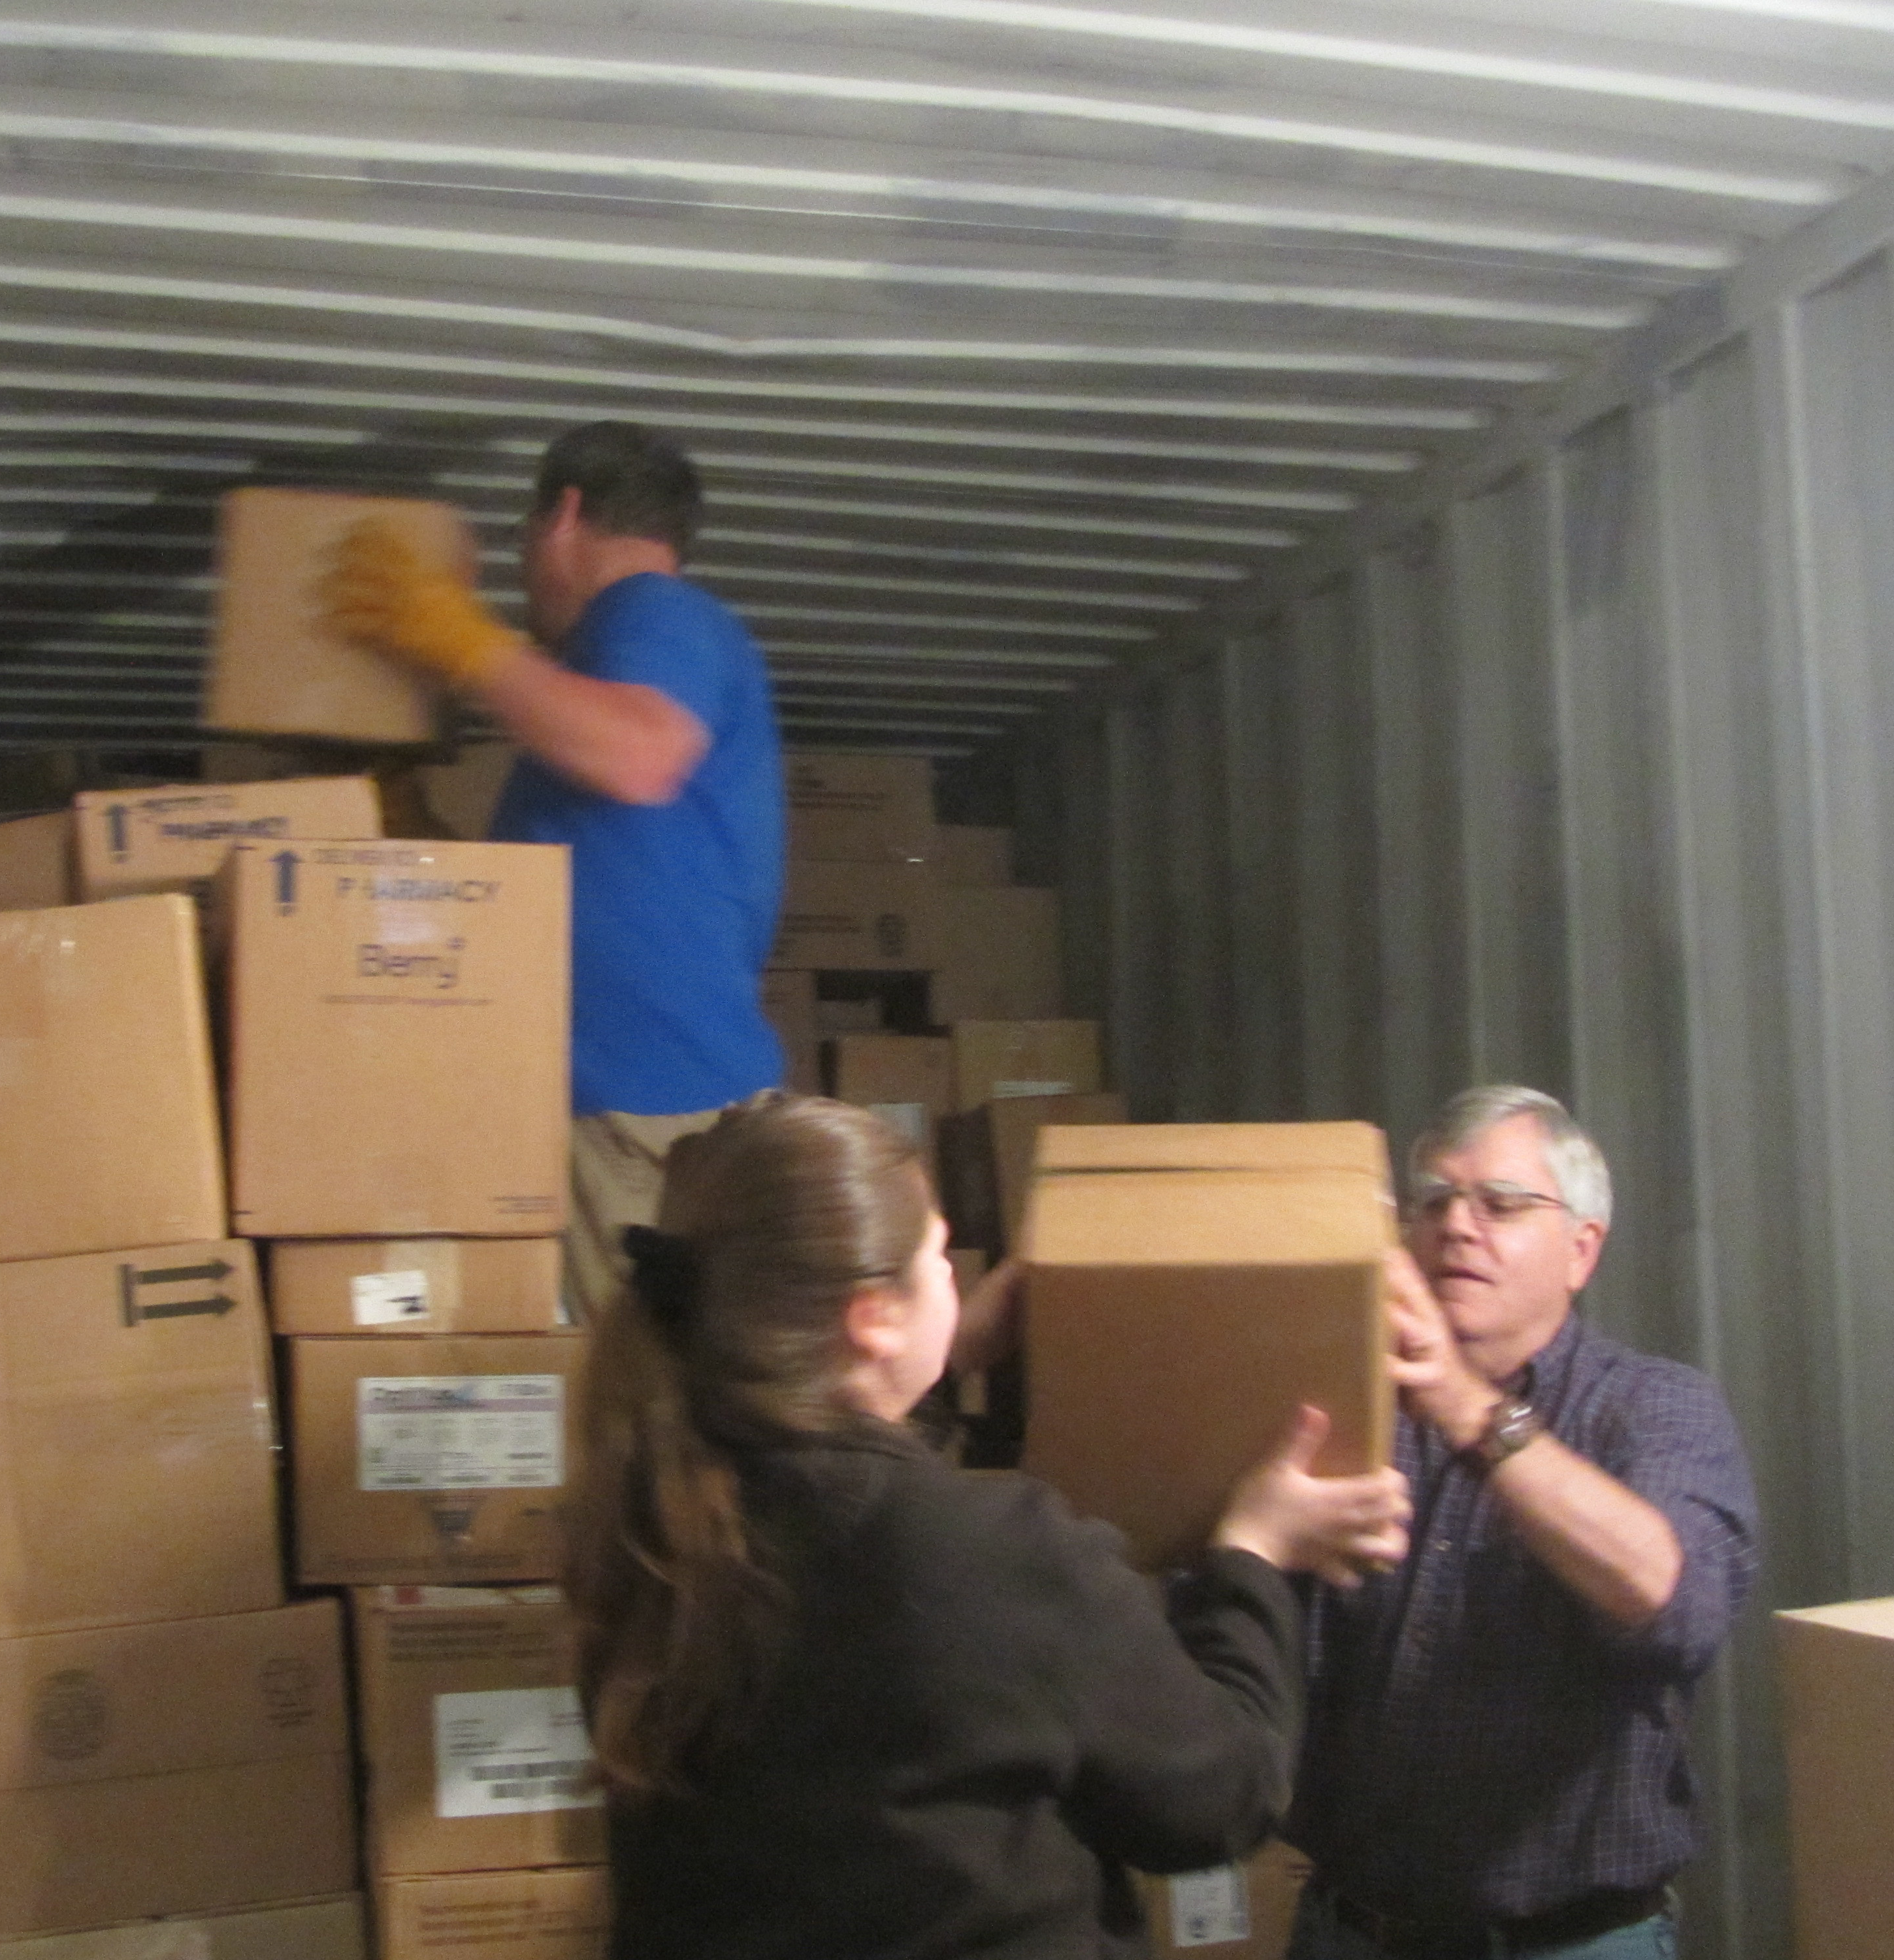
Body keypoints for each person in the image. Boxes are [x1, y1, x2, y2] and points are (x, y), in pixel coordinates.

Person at [566, 1093, 1414, 1960]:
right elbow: (1218, 1798)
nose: (957, 1279)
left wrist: (929, 1366)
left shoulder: (651, 1515)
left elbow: (831, 1502)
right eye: (939, 1255)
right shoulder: (985, 1550)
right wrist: (1254, 1558)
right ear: (872, 1317)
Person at [1286, 1086, 1759, 1960]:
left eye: (1500, 1205)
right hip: (1350, 1931)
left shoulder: (1655, 1407)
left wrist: (1468, 1412)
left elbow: (1673, 1599)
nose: (1457, 1226)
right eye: (1433, 1201)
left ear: (1582, 1250)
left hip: (1569, 1945)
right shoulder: (1345, 1416)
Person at [323, 422, 785, 1316]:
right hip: (635, 1106)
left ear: (563, 517)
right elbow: (554, 899)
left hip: (645, 1110)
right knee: (627, 1408)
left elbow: (639, 754)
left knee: (639, 1412)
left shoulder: (654, 611)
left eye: (525, 543)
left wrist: (462, 640)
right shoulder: (592, 692)